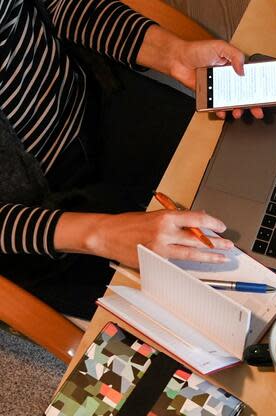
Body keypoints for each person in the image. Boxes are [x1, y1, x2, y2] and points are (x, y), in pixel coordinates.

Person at [0, 0, 260, 319]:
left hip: (94, 105)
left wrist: (172, 53)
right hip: (37, 225)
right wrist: (100, 235)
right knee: (214, 314)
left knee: (260, 183)